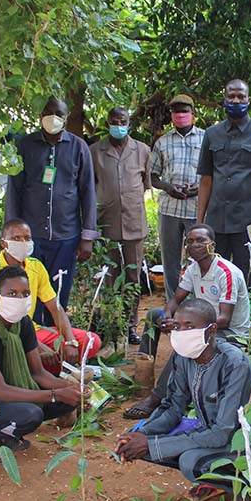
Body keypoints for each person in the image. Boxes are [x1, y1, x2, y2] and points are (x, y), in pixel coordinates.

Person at [115, 298, 251, 497]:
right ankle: (214, 476)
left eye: (190, 326)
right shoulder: (183, 357)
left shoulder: (234, 364)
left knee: (189, 461)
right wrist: (142, 434)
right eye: (177, 326)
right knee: (144, 441)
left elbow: (222, 432)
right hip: (209, 433)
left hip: (245, 443)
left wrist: (151, 444)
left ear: (211, 330)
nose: (181, 333)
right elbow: (172, 407)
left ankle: (250, 488)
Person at [0, 266, 86, 459]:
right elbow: (0, 391)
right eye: (12, 294)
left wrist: (73, 388)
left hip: (6, 392)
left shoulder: (23, 324)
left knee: (66, 402)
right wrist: (55, 394)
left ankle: (4, 431)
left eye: (25, 294)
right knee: (32, 414)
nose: (20, 300)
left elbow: (38, 374)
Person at [122, 224, 249, 419]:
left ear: (212, 245)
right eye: (189, 241)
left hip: (229, 333)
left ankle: (156, 398)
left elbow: (224, 319)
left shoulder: (226, 272)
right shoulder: (193, 270)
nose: (194, 245)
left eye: (201, 240)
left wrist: (187, 328)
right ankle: (143, 376)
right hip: (202, 324)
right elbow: (174, 300)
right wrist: (166, 318)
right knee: (153, 315)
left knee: (187, 343)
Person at [5, 96, 99, 314]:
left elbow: (88, 193)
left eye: (59, 114)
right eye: (49, 112)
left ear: (65, 119)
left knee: (58, 292)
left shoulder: (79, 147)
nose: (53, 118)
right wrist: (12, 236)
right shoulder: (25, 146)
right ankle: (34, 338)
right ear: (40, 116)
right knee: (29, 290)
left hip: (66, 237)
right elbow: (14, 191)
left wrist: (87, 237)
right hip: (31, 237)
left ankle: (56, 339)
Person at [0, 219, 100, 372]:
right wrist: (33, 344)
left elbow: (55, 307)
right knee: (27, 352)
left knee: (91, 341)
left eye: (27, 238)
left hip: (33, 331)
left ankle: (42, 368)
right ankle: (38, 369)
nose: (23, 242)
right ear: (4, 243)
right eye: (16, 239)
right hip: (6, 337)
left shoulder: (35, 266)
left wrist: (70, 342)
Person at [196, 79, 251, 283]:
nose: (235, 100)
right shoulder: (211, 134)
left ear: (248, 100)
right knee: (216, 279)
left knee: (248, 280)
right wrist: (199, 224)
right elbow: (206, 179)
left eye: (240, 96)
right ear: (224, 99)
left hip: (249, 224)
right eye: (231, 96)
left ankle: (246, 317)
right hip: (217, 222)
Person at [91, 107, 152, 345]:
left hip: (134, 224)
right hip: (106, 223)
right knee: (110, 277)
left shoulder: (143, 150)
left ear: (129, 123)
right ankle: (111, 324)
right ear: (108, 123)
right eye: (114, 121)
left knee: (132, 278)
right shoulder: (95, 151)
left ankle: (130, 325)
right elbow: (91, 184)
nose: (119, 124)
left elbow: (145, 184)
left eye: (123, 121)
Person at [151, 94, 205, 299]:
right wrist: (168, 187)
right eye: (176, 112)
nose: (180, 115)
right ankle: (174, 304)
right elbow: (153, 175)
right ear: (171, 115)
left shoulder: (205, 138)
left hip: (197, 208)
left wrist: (199, 188)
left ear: (193, 113)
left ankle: (200, 303)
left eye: (184, 111)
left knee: (201, 256)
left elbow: (215, 173)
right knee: (170, 261)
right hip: (169, 209)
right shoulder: (162, 142)